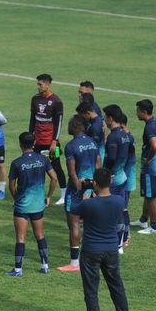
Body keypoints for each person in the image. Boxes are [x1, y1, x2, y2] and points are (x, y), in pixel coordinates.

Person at [72, 168, 130, 311]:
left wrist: (81, 192)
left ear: (95, 183)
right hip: (111, 249)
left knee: (91, 290)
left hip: (91, 250)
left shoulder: (88, 204)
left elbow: (73, 208)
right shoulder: (119, 201)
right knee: (116, 285)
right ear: (110, 182)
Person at [6, 132, 57, 277]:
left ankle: (18, 270)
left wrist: (16, 198)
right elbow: (54, 178)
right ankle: (45, 266)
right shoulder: (43, 159)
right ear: (34, 143)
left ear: (20, 144)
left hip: (22, 206)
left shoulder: (16, 163)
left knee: (20, 238)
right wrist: (48, 196)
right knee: (40, 235)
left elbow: (11, 184)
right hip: (38, 205)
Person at [58, 116, 100, 273]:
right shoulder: (92, 142)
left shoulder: (71, 146)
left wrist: (78, 189)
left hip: (76, 190)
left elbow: (72, 173)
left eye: (70, 124)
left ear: (76, 126)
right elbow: (98, 166)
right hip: (92, 187)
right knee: (90, 225)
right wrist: (93, 189)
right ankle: (91, 259)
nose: (68, 127)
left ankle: (74, 263)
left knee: (74, 225)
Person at [29, 73, 67, 205]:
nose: (38, 87)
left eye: (40, 84)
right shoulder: (35, 99)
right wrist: (30, 137)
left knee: (56, 166)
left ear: (48, 84)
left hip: (51, 143)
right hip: (37, 141)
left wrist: (54, 141)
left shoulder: (56, 101)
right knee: (36, 167)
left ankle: (63, 194)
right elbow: (33, 119)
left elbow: (59, 123)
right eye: (38, 84)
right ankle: (37, 193)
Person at [131, 99, 156, 235]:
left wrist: (148, 159)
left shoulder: (149, 127)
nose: (137, 113)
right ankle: (143, 220)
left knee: (151, 197)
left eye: (138, 111)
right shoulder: (155, 121)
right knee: (148, 195)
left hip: (152, 167)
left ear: (144, 112)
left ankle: (154, 227)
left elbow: (155, 145)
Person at [102, 104, 130, 252]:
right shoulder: (125, 134)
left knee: (114, 211)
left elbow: (111, 158)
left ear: (110, 118)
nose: (104, 119)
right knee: (122, 209)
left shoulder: (113, 136)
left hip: (113, 179)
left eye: (105, 117)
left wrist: (105, 173)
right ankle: (123, 238)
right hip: (122, 176)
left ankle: (118, 244)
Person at [121, 114, 136, 245]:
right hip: (128, 176)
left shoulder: (126, 138)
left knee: (123, 208)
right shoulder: (129, 136)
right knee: (123, 207)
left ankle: (126, 235)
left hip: (125, 177)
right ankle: (126, 234)